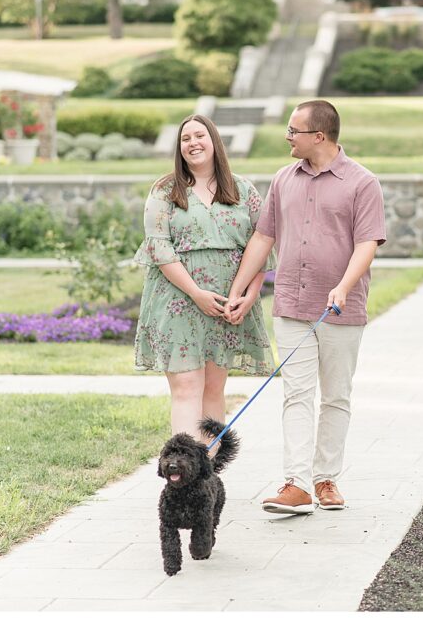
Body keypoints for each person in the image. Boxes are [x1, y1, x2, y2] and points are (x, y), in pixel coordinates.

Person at [225, 99, 386, 514]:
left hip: (339, 309)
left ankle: (326, 478)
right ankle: (295, 484)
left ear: (320, 136)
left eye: (294, 131)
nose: (287, 137)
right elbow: (264, 238)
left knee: (335, 396)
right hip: (292, 306)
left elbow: (367, 243)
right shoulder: (283, 179)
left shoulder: (362, 182)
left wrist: (343, 286)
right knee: (296, 393)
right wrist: (240, 290)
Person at [133, 114, 273, 452]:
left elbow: (262, 243)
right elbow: (158, 246)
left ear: (214, 141)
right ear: (179, 148)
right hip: (178, 299)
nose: (193, 143)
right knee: (186, 388)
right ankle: (184, 475)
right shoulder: (165, 190)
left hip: (226, 302)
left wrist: (249, 296)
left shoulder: (243, 189)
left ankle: (208, 474)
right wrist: (196, 293)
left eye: (200, 136)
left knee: (213, 390)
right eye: (185, 139)